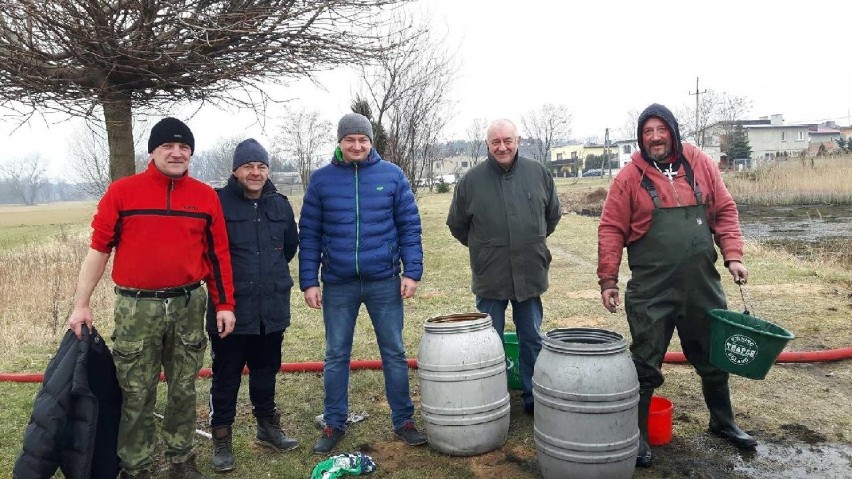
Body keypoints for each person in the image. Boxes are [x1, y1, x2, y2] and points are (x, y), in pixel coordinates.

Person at [66, 117, 236, 479]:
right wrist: (81, 304)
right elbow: (98, 250)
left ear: (191, 152)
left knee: (183, 387)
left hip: (189, 304)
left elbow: (218, 256)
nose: (176, 153)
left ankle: (181, 459)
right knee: (135, 389)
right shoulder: (123, 193)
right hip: (136, 308)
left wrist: (225, 304)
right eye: (168, 147)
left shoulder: (206, 197)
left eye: (184, 147)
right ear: (153, 151)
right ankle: (136, 465)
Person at [597, 103, 756, 468]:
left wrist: (733, 255)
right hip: (652, 289)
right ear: (641, 137)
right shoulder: (628, 179)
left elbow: (726, 210)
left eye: (661, 129)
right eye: (648, 131)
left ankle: (723, 420)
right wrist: (608, 279)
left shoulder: (699, 163)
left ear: (673, 131)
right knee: (645, 361)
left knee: (714, 356)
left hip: (702, 285)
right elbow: (610, 229)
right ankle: (635, 435)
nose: (655, 137)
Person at [299, 113, 427, 454]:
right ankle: (334, 421)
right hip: (338, 282)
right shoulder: (322, 180)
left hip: (384, 279)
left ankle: (404, 420)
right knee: (336, 354)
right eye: (350, 139)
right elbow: (309, 233)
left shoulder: (393, 176)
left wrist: (412, 271)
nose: (357, 145)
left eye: (363, 139)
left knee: (395, 352)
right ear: (340, 143)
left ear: (371, 142)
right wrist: (309, 280)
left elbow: (409, 227)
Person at [446, 119, 562, 415]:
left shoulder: (539, 174)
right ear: (487, 145)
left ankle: (534, 397)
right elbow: (457, 226)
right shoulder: (470, 182)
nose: (502, 147)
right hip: (491, 276)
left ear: (518, 140)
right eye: (495, 142)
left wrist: (529, 242)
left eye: (507, 140)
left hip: (530, 274)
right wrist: (486, 250)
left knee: (532, 337)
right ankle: (490, 396)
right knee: (488, 341)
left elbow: (552, 216)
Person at [207, 139, 300, 471]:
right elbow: (210, 256)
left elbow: (289, 247)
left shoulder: (280, 205)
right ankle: (221, 438)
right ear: (236, 170)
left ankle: (267, 425)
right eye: (248, 166)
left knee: (266, 369)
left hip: (271, 305)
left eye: (261, 166)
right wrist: (224, 300)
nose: (255, 172)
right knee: (226, 374)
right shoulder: (217, 204)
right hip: (230, 310)